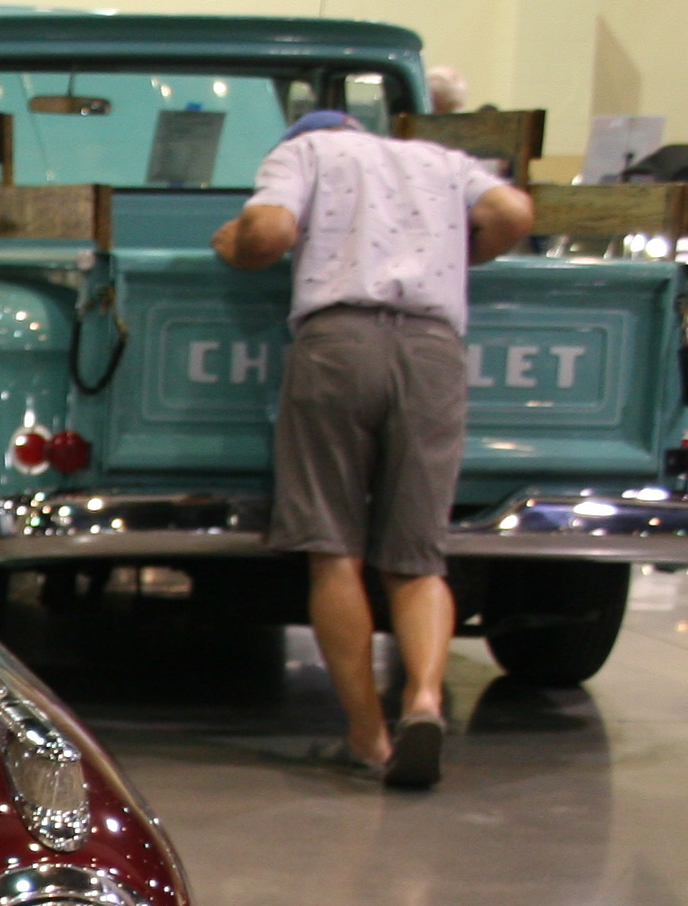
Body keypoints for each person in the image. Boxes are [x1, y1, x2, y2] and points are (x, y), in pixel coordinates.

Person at [211, 110, 534, 789]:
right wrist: (464, 253)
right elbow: (511, 210)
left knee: (334, 552)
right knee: (418, 557)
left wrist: (233, 245)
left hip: (339, 345)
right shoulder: (438, 160)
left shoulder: (306, 153)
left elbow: (269, 231)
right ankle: (422, 699)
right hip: (433, 351)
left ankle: (367, 737)